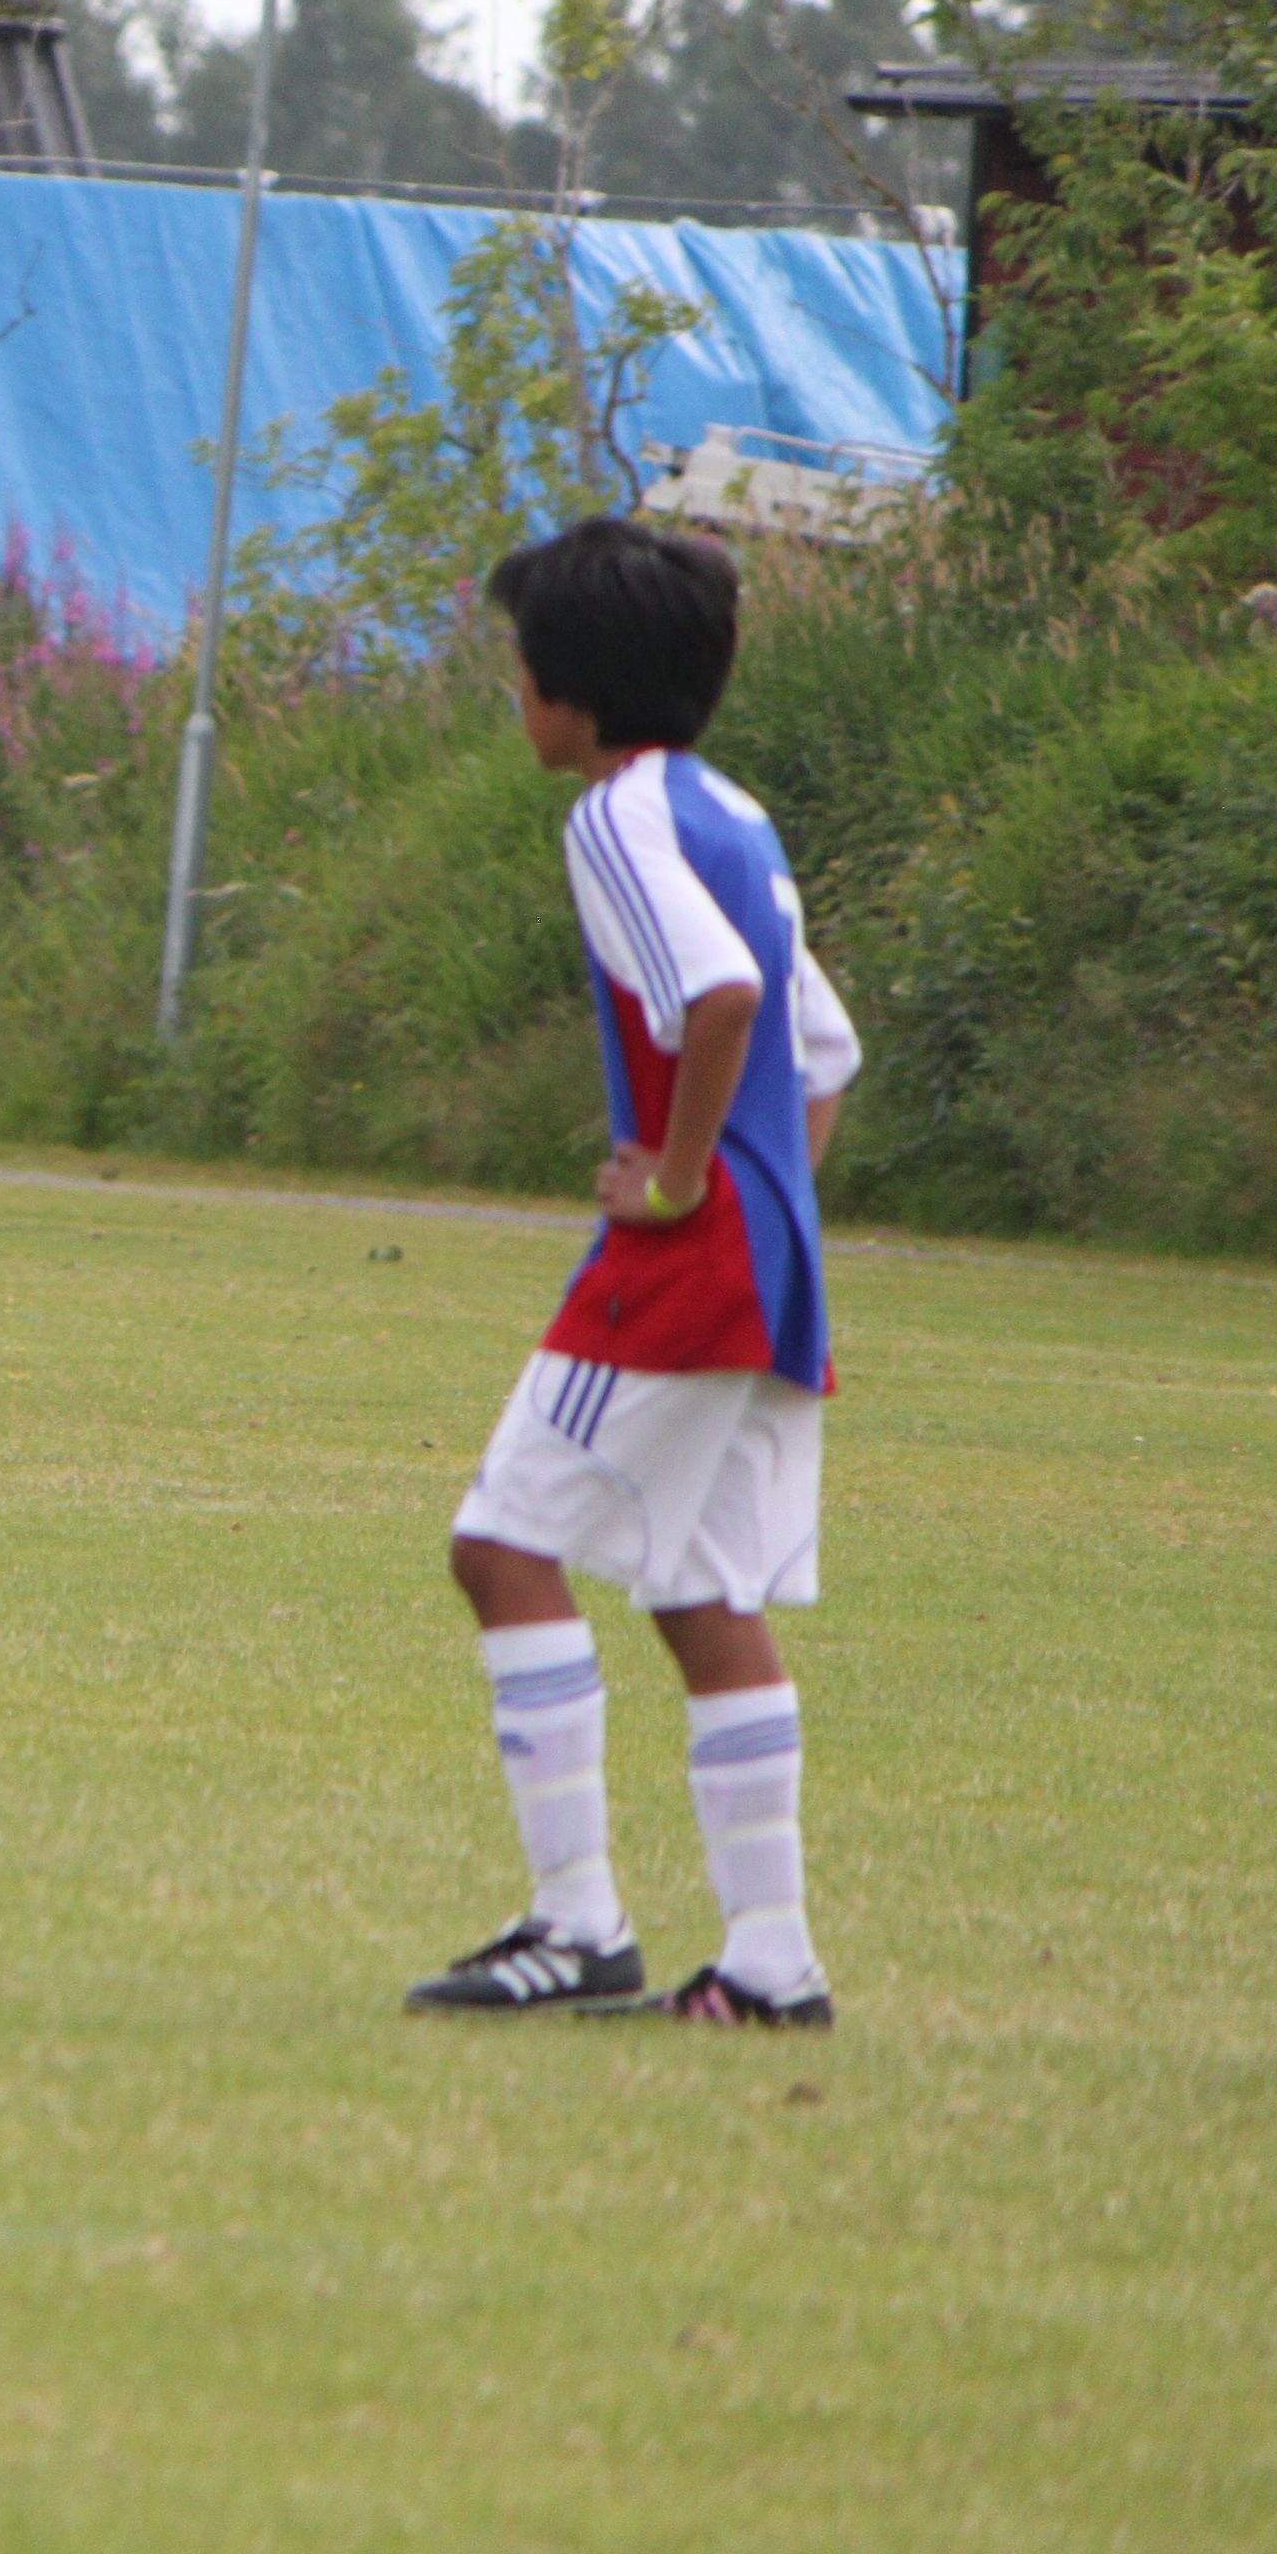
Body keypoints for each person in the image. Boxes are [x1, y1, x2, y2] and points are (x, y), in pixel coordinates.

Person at [411, 516, 859, 2029]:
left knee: (501, 1546)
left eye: (519, 666)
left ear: (573, 689)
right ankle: (770, 1964)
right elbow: (827, 1050)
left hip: (690, 1256)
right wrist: (767, 1196)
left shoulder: (616, 817)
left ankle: (576, 1924)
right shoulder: (734, 812)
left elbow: (721, 997)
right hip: (770, 1258)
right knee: (698, 1590)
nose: (515, 692)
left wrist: (678, 1182)